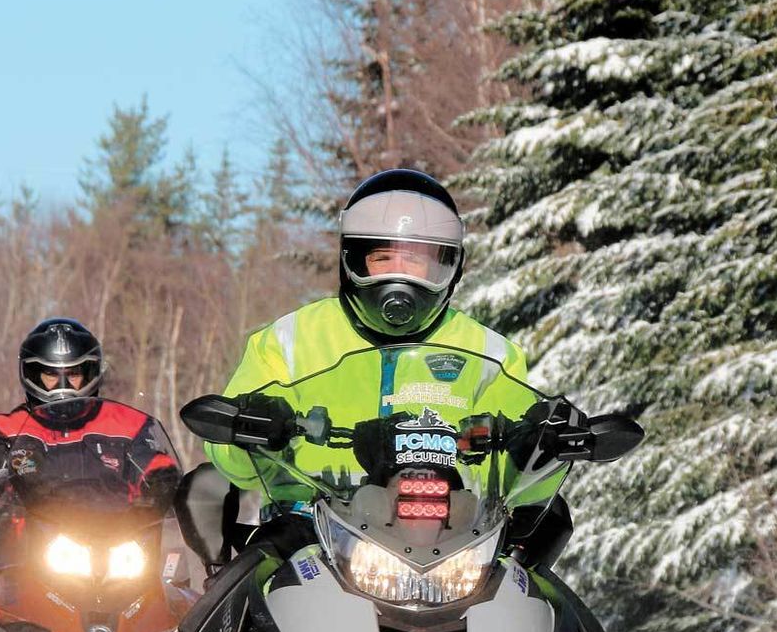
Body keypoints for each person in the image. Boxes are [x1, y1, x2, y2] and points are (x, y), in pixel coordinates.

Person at [204, 167, 574, 561]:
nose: (399, 277)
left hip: (454, 546)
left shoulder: (490, 352)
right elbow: (229, 458)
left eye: (416, 261)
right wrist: (256, 424)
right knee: (241, 593)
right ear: (352, 260)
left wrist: (539, 444)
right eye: (383, 257)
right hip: (308, 535)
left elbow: (523, 484)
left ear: (450, 267)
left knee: (544, 604)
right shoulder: (289, 340)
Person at [0, 317, 181, 563]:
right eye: (50, 374)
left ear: (91, 373)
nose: (63, 384)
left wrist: (162, 485)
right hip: (26, 560)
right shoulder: (4, 430)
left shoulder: (129, 424)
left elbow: (159, 466)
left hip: (122, 552)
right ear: (33, 374)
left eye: (74, 373)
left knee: (176, 596)